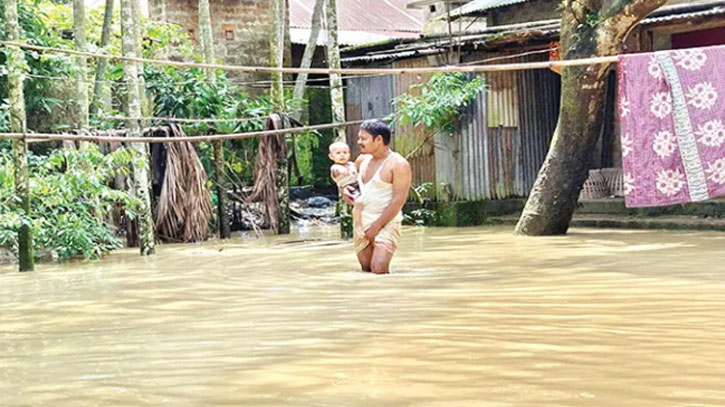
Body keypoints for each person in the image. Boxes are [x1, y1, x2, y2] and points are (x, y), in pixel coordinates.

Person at [343, 119, 412, 274]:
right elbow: (353, 186)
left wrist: (377, 226)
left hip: (387, 222)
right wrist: (346, 192)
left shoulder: (398, 164)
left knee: (379, 268)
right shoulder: (362, 160)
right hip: (362, 221)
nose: (359, 142)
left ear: (379, 139)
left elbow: (398, 200)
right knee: (366, 269)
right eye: (359, 138)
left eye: (364, 138)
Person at [329, 141, 363, 237]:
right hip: (349, 188)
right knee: (358, 203)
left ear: (349, 154)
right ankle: (358, 225)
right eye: (338, 153)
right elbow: (339, 171)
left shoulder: (351, 164)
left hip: (359, 185)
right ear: (331, 156)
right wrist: (344, 171)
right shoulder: (335, 167)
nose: (342, 155)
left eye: (345, 152)